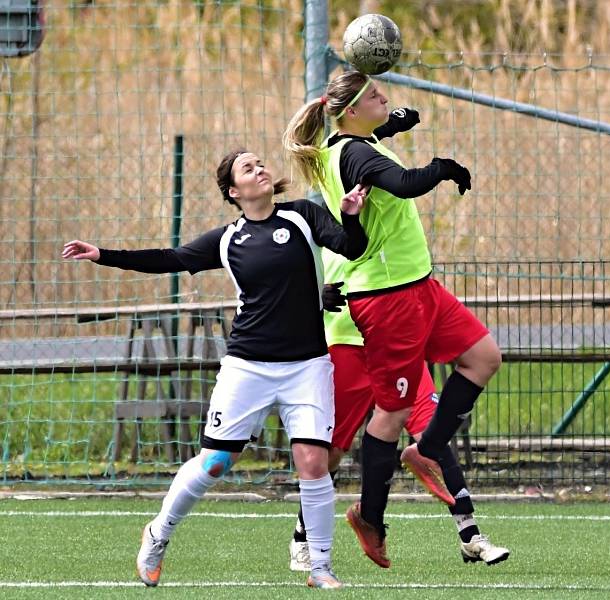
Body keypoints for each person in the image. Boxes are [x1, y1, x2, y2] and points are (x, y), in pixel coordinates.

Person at [62, 149, 368, 589]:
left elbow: (352, 246)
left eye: (261, 163)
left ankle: (320, 567)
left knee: (313, 462)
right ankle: (158, 533)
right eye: (248, 168)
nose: (260, 170)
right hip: (248, 366)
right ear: (233, 191)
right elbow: (169, 258)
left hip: (307, 365)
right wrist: (102, 254)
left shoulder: (304, 216)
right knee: (216, 463)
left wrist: (350, 216)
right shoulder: (228, 239)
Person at [283, 71, 503, 567]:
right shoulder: (353, 154)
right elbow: (402, 183)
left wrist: (394, 123)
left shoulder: (352, 145)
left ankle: (428, 454)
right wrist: (443, 167)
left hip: (417, 285)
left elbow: (366, 147)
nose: (386, 98)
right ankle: (364, 519)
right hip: (385, 299)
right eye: (376, 96)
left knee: (484, 358)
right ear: (352, 110)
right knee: (383, 420)